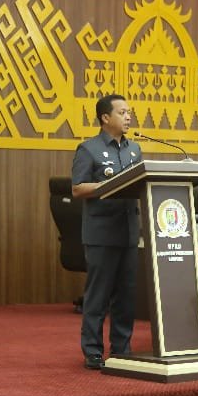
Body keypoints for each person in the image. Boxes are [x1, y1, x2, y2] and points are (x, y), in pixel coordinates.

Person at [71, 94, 142, 370]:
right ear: (105, 117)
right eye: (122, 112)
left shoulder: (134, 149)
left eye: (129, 112)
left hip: (129, 232)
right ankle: (92, 351)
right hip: (101, 234)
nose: (128, 117)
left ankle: (122, 349)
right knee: (98, 295)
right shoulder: (88, 149)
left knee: (126, 296)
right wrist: (111, 185)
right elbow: (78, 188)